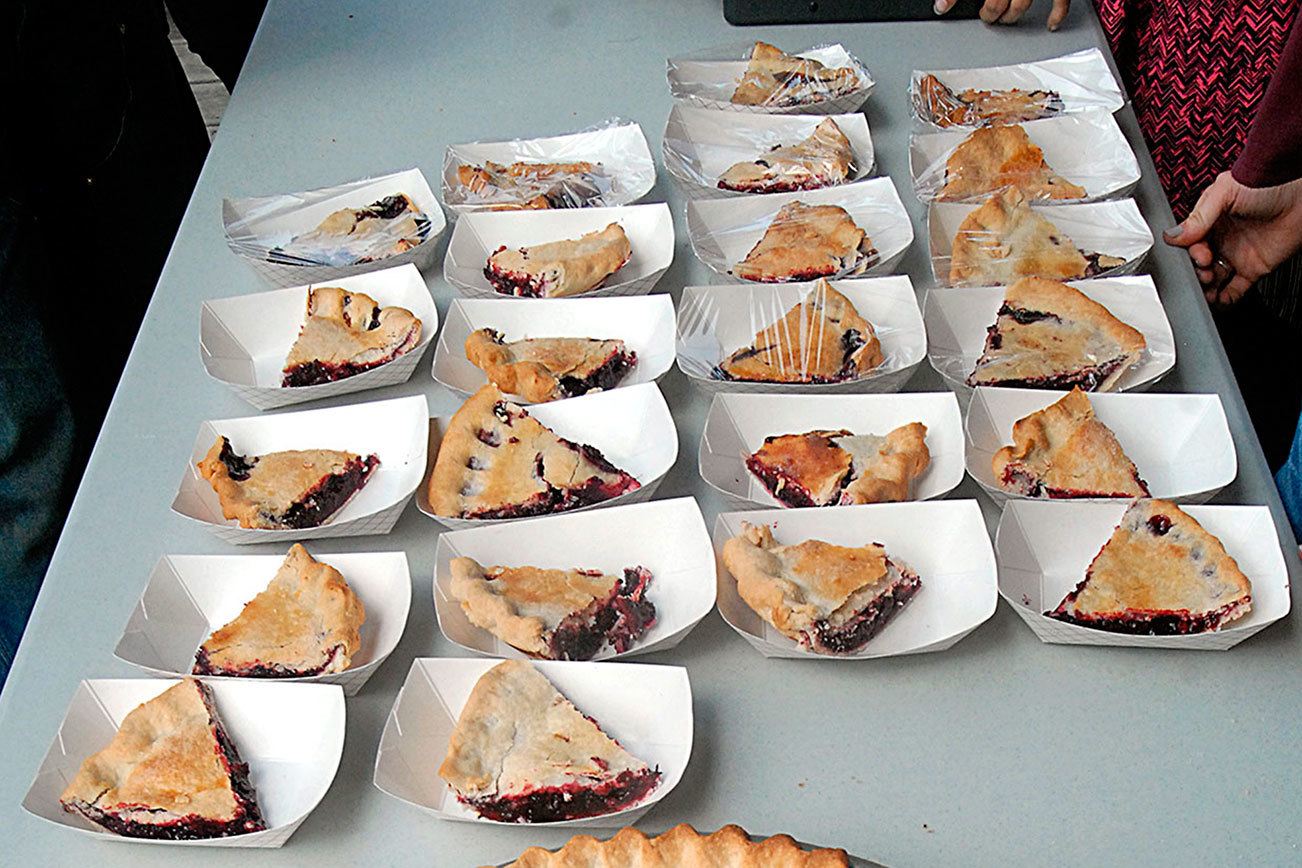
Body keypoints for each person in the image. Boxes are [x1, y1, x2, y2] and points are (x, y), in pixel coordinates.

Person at [0, 1, 265, 688]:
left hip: (106, 84)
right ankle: (66, 709)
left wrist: (264, 66)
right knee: (35, 494)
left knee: (196, 385)